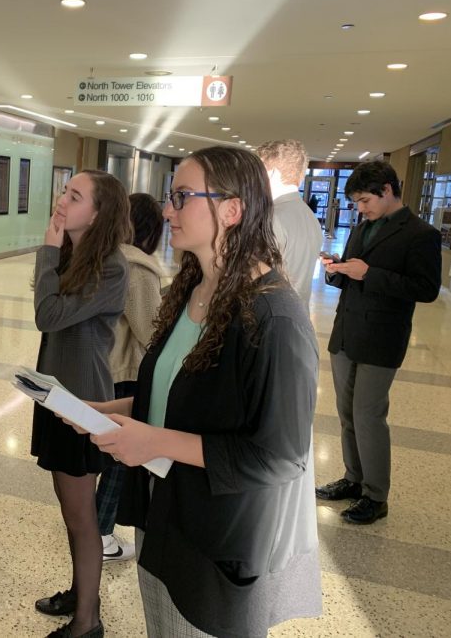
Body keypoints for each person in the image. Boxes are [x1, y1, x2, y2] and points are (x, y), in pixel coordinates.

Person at [80, 147, 322, 637]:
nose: (168, 210)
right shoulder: (193, 291)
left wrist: (154, 442)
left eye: (183, 197)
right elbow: (176, 397)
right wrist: (104, 411)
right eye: (172, 198)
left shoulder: (273, 318)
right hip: (163, 513)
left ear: (231, 211)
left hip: (215, 539)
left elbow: (279, 456)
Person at [31, 170, 129, 638]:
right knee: (69, 509)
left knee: (80, 517)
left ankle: (87, 621)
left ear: (98, 213)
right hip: (57, 393)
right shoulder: (79, 257)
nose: (62, 201)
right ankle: (80, 591)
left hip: (80, 403)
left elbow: (47, 315)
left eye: (74, 196)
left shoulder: (110, 266)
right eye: (65, 192)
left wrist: (47, 250)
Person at [316, 160, 441, 524]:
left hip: (382, 337)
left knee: (368, 415)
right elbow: (354, 274)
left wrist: (370, 274)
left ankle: (376, 495)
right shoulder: (362, 226)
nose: (361, 208)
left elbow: (425, 289)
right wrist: (337, 270)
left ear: (387, 190)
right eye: (356, 202)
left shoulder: (420, 233)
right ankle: (353, 479)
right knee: (346, 412)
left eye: (365, 200)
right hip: (346, 332)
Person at [96, 192, 164, 564]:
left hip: (100, 366)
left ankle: (92, 525)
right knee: (121, 460)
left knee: (103, 454)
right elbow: (148, 330)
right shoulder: (138, 268)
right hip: (123, 371)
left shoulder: (104, 255)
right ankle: (100, 531)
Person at [256, 139, 323, 305]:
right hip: (296, 314)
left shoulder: (271, 217)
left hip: (270, 316)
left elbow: (256, 280)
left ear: (271, 173)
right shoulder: (310, 216)